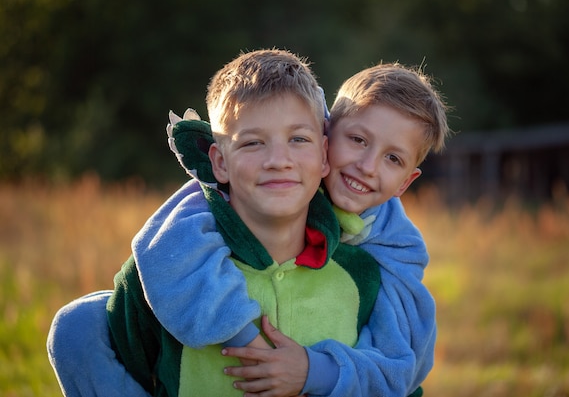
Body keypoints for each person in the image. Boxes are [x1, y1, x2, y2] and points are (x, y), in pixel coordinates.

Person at [48, 53, 449, 396]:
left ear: (406, 182)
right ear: (329, 133)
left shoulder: (390, 244)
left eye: (393, 159)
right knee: (81, 319)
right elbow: (168, 242)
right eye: (358, 140)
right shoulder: (222, 198)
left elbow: (405, 362)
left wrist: (314, 370)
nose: (366, 166)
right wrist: (246, 338)